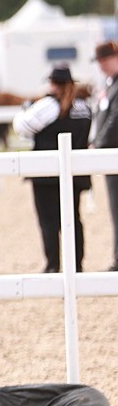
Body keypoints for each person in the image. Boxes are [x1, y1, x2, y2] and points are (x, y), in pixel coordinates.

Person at [13, 65, 93, 273]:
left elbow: (21, 127)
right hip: (76, 172)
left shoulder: (48, 105)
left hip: (46, 174)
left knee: (49, 221)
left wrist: (27, 107)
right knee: (73, 219)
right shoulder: (84, 106)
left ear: (53, 83)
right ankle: (76, 264)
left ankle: (53, 264)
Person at [89, 40, 118, 271]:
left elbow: (114, 120)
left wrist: (98, 144)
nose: (102, 66)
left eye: (105, 61)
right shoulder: (109, 85)